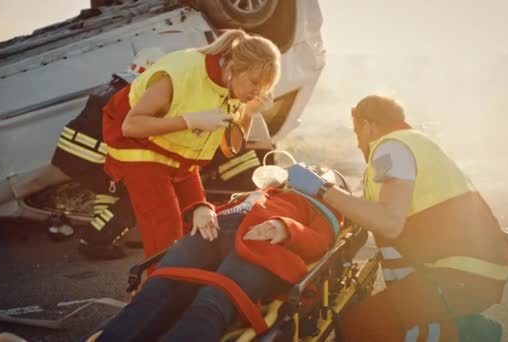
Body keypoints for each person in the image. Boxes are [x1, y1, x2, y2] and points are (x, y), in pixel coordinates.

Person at [287, 95, 508, 341]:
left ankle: (471, 334)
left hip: (460, 273)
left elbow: (389, 221)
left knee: (360, 327)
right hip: (471, 269)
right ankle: (465, 329)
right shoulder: (413, 143)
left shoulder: (390, 148)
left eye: (357, 132)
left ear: (368, 125)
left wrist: (322, 190)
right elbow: (382, 212)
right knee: (375, 322)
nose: (357, 143)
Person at [101, 29, 281, 268]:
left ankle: (181, 281)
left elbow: (231, 149)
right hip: (139, 148)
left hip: (181, 161)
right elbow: (131, 126)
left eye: (263, 87)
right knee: (165, 230)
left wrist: (248, 114)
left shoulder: (234, 89)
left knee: (204, 224)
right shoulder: (183, 71)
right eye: (254, 82)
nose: (256, 92)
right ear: (234, 66)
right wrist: (190, 121)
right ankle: (153, 293)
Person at [93, 182, 342, 342]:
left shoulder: (324, 209)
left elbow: (319, 242)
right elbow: (220, 207)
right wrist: (202, 209)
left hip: (261, 246)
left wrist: (287, 228)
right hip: (212, 230)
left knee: (212, 302)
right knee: (156, 292)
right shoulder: (261, 191)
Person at [50, 48, 163, 259]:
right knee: (142, 195)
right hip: (88, 157)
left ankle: (105, 235)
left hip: (73, 156)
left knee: (112, 189)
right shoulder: (134, 94)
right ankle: (95, 240)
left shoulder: (113, 86)